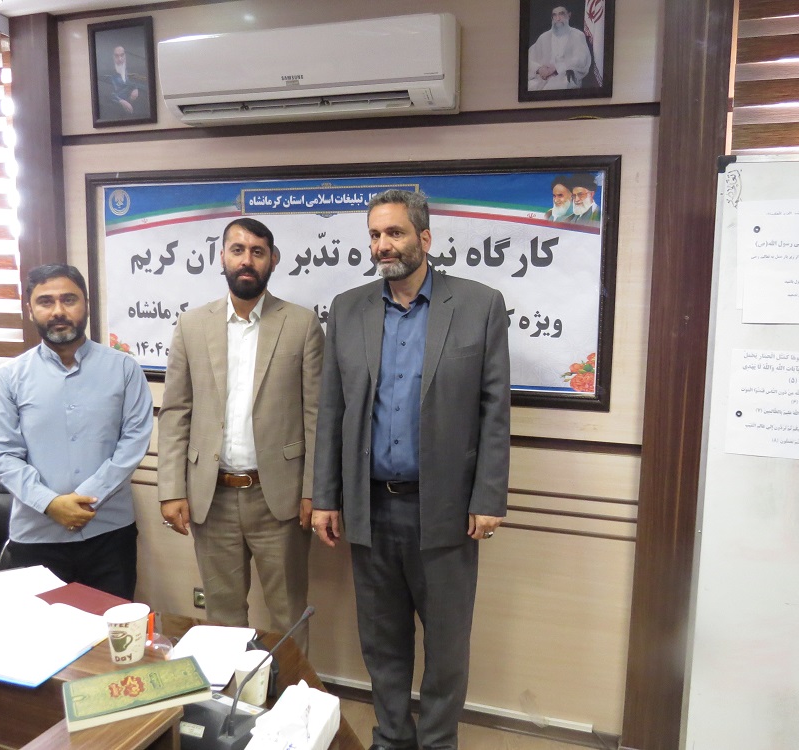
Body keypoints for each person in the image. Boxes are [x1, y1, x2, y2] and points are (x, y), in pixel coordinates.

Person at [311, 189, 511, 750]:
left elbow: (494, 409)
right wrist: (325, 497)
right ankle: (392, 738)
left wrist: (488, 497)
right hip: (371, 508)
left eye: (394, 233)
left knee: (446, 647)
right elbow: (331, 411)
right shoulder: (348, 309)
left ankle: (438, 742)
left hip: (444, 509)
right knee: (383, 643)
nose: (383, 245)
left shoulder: (478, 304)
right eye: (375, 235)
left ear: (424, 238)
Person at [157, 217, 323, 652]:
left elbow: (316, 417)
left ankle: (291, 692)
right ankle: (231, 694)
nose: (246, 260)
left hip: (279, 499)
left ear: (273, 260)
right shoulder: (192, 325)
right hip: (211, 498)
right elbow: (175, 413)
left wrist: (314, 491)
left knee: (288, 615)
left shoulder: (302, 324)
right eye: (237, 250)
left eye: (257, 251)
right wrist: (171, 489)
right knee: (222, 617)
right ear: (222, 258)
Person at [0, 264, 153, 600]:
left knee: (111, 627)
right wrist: (50, 503)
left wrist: (87, 497)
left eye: (68, 299)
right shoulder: (7, 378)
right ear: (30, 310)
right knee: (43, 630)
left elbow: (134, 441)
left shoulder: (124, 368)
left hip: (109, 534)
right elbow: (1, 455)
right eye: (45, 301)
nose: (58, 311)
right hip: (36, 537)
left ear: (86, 304)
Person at [527, 5, 592, 91]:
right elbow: (528, 58)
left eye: (561, 14)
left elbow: (581, 59)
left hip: (564, 77)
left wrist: (556, 68)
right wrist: (539, 69)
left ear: (569, 15)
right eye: (554, 15)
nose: (558, 19)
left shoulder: (577, 35)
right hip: (542, 79)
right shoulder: (544, 37)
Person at [109, 45, 143, 116]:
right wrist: (121, 101)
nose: (120, 59)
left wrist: (136, 88)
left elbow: (144, 84)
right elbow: (106, 93)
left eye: (122, 55)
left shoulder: (135, 69)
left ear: (125, 55)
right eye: (116, 56)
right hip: (115, 110)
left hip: (137, 109)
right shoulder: (107, 72)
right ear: (112, 57)